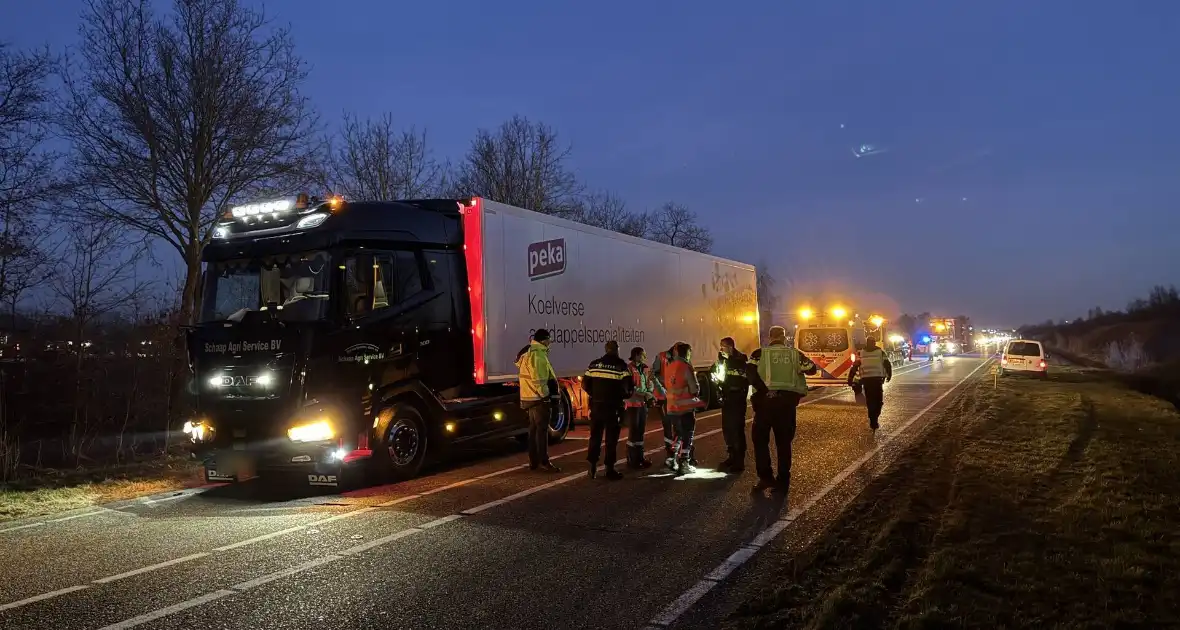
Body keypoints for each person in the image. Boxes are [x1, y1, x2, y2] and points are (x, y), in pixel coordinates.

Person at [746, 325, 818, 493]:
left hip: (764, 403)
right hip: (786, 404)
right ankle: (783, 481)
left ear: (770, 337)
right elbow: (812, 369)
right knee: (784, 443)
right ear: (784, 337)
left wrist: (765, 391)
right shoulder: (794, 354)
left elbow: (749, 372)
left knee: (760, 441)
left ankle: (765, 478)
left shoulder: (759, 354)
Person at [583, 340, 633, 480]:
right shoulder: (620, 366)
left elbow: (585, 384)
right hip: (613, 408)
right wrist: (623, 396)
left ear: (606, 350)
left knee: (595, 436)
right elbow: (627, 388)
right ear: (617, 349)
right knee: (611, 439)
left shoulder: (594, 364)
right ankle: (609, 469)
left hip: (597, 406)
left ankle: (592, 467)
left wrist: (595, 395)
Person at [515, 329, 561, 472]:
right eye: (549, 340)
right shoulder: (538, 356)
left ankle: (533, 462)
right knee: (541, 432)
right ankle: (544, 461)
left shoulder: (528, 353)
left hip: (528, 397)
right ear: (543, 340)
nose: (550, 343)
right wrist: (546, 397)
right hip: (538, 399)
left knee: (533, 431)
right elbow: (539, 381)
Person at [664, 343, 706, 475]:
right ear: (687, 353)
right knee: (688, 434)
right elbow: (694, 389)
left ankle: (671, 458)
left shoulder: (669, 366)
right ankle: (684, 462)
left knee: (678, 433)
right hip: (685, 407)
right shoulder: (686, 367)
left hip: (671, 406)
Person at [716, 337, 750, 473]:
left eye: (723, 347)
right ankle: (731, 455)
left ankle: (739, 461)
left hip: (737, 399)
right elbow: (720, 376)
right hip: (727, 400)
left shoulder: (740, 361)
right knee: (727, 429)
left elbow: (743, 381)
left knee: (737, 430)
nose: (721, 349)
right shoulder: (722, 360)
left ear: (730, 347)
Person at [847, 336, 892, 430]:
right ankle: (874, 418)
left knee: (870, 400)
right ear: (874, 343)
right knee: (878, 401)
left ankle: (872, 419)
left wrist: (850, 378)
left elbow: (854, 367)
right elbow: (887, 364)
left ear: (866, 343)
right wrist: (889, 375)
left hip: (866, 380)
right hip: (877, 380)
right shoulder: (880, 352)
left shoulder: (861, 353)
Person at [624, 346, 655, 469]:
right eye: (643, 355)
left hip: (642, 404)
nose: (645, 357)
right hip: (633, 405)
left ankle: (640, 458)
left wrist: (650, 391)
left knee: (641, 432)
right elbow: (631, 388)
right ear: (636, 355)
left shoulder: (645, 368)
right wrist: (644, 394)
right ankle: (632, 460)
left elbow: (650, 382)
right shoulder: (629, 369)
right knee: (633, 432)